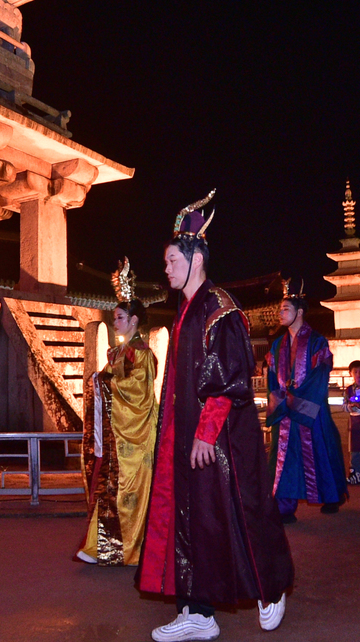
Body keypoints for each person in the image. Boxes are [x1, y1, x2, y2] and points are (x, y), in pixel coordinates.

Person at [137, 192, 291, 640]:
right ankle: (198, 611)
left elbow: (229, 381)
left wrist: (205, 435)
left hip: (221, 441)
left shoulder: (220, 309)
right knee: (195, 521)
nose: (165, 269)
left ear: (196, 257)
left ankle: (272, 589)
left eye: (171, 260)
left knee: (241, 513)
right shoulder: (186, 311)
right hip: (187, 439)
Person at [78, 258, 158, 566]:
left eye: (120, 317)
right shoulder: (119, 353)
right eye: (115, 317)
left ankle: (128, 550)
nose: (116, 322)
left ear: (135, 321)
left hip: (136, 439)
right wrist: (102, 380)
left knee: (128, 492)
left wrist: (104, 381)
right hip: (117, 436)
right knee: (111, 488)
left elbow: (138, 395)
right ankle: (102, 548)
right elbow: (109, 383)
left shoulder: (143, 356)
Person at [265, 280, 347, 518]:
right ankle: (284, 507)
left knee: (320, 451)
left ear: (299, 312)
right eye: (280, 309)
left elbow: (320, 375)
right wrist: (279, 399)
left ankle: (331, 496)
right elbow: (271, 376)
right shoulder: (278, 344)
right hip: (285, 407)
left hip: (311, 408)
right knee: (284, 456)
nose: (280, 313)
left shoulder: (317, 341)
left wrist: (297, 399)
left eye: (285, 309)